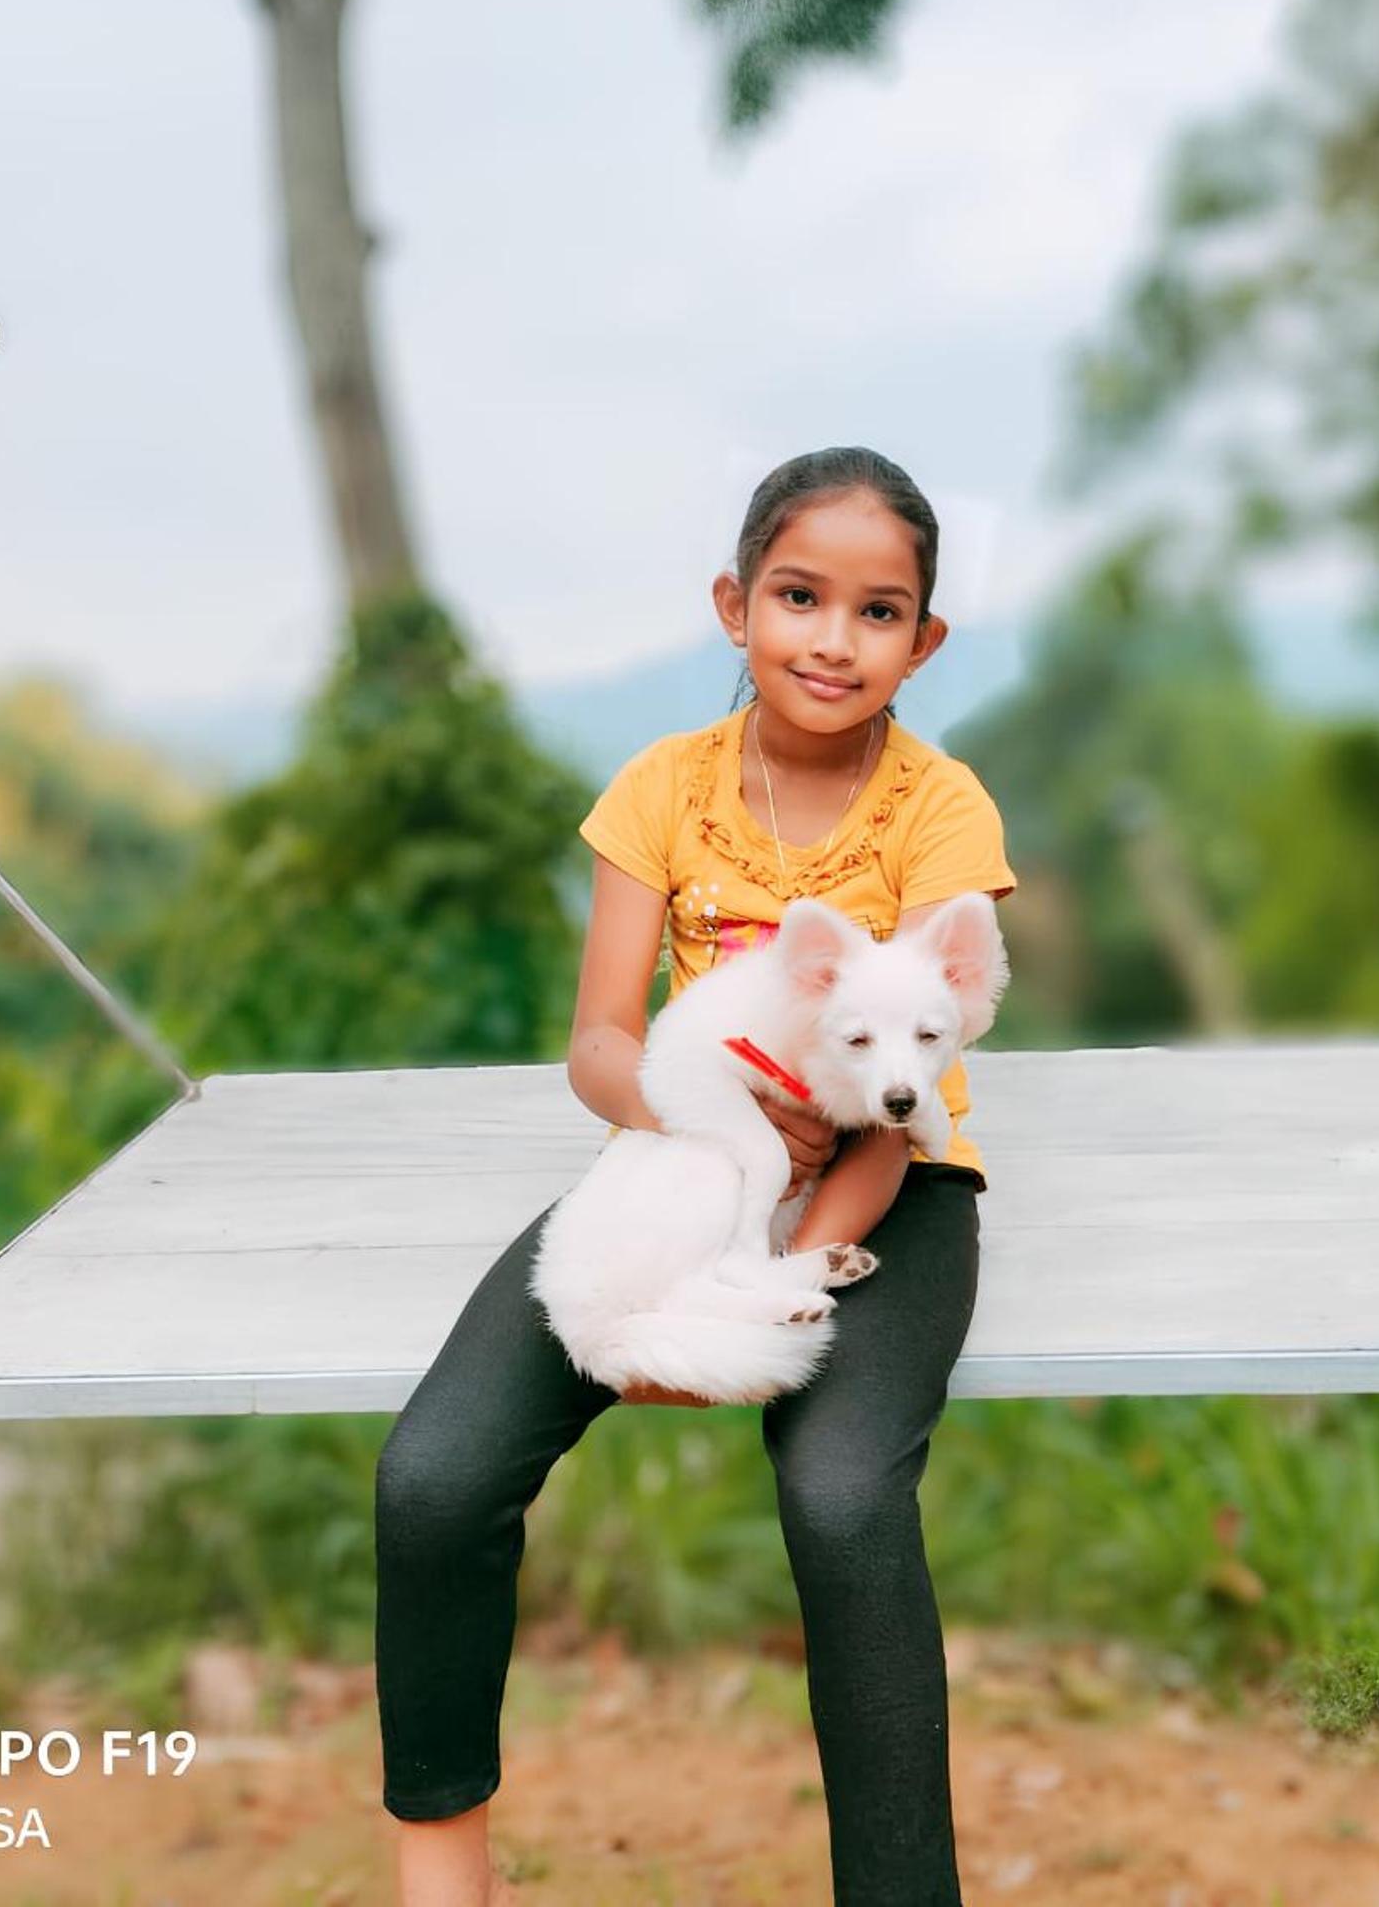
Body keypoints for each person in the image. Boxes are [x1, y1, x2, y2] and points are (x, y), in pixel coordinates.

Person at [374, 445, 1018, 1906]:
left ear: (922, 641)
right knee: (434, 1477)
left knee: (844, 1501)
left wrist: (786, 1261)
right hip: (678, 1159)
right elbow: (603, 1044)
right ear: (736, 606)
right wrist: (714, 1141)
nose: (833, 639)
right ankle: (444, 1876)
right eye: (799, 597)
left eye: (877, 611)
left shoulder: (940, 809)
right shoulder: (661, 790)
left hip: (887, 1184)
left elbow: (905, 1082)